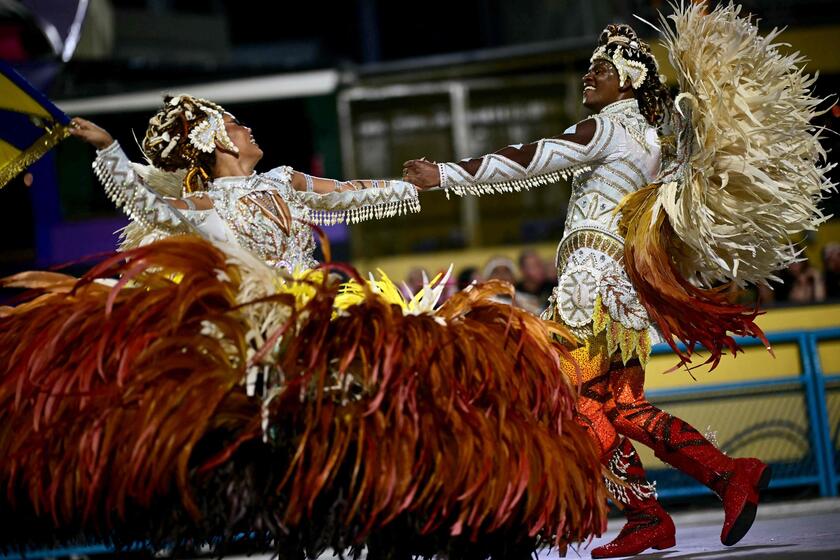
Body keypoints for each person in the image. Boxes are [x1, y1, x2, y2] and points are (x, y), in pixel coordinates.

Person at [405, 3, 833, 556]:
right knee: (622, 409)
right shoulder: (655, 142)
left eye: (599, 69)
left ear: (627, 81)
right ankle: (729, 475)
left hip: (589, 289)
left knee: (569, 400)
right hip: (624, 298)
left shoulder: (609, 128)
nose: (589, 75)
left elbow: (534, 157)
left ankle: (646, 511)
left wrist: (445, 174)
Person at [68, 94, 421, 270]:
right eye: (236, 123)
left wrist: (414, 185)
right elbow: (149, 206)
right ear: (214, 138)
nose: (248, 128)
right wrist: (107, 148)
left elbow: (347, 192)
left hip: (317, 306)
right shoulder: (205, 207)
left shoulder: (284, 180)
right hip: (258, 332)